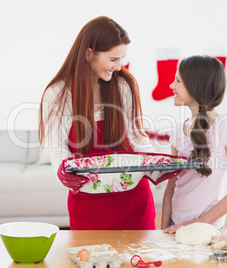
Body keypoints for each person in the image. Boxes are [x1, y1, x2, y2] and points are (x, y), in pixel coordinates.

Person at [38, 16, 156, 230]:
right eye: (113, 59)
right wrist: (69, 176)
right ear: (89, 54)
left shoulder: (123, 87)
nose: (119, 67)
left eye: (122, 59)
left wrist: (154, 164)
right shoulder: (57, 95)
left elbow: (138, 137)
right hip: (88, 203)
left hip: (134, 201)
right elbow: (58, 151)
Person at [161, 55, 227, 233]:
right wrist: (163, 230)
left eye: (178, 81)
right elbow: (170, 187)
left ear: (196, 87)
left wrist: (199, 223)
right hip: (175, 225)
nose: (171, 86)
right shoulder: (178, 131)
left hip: (207, 227)